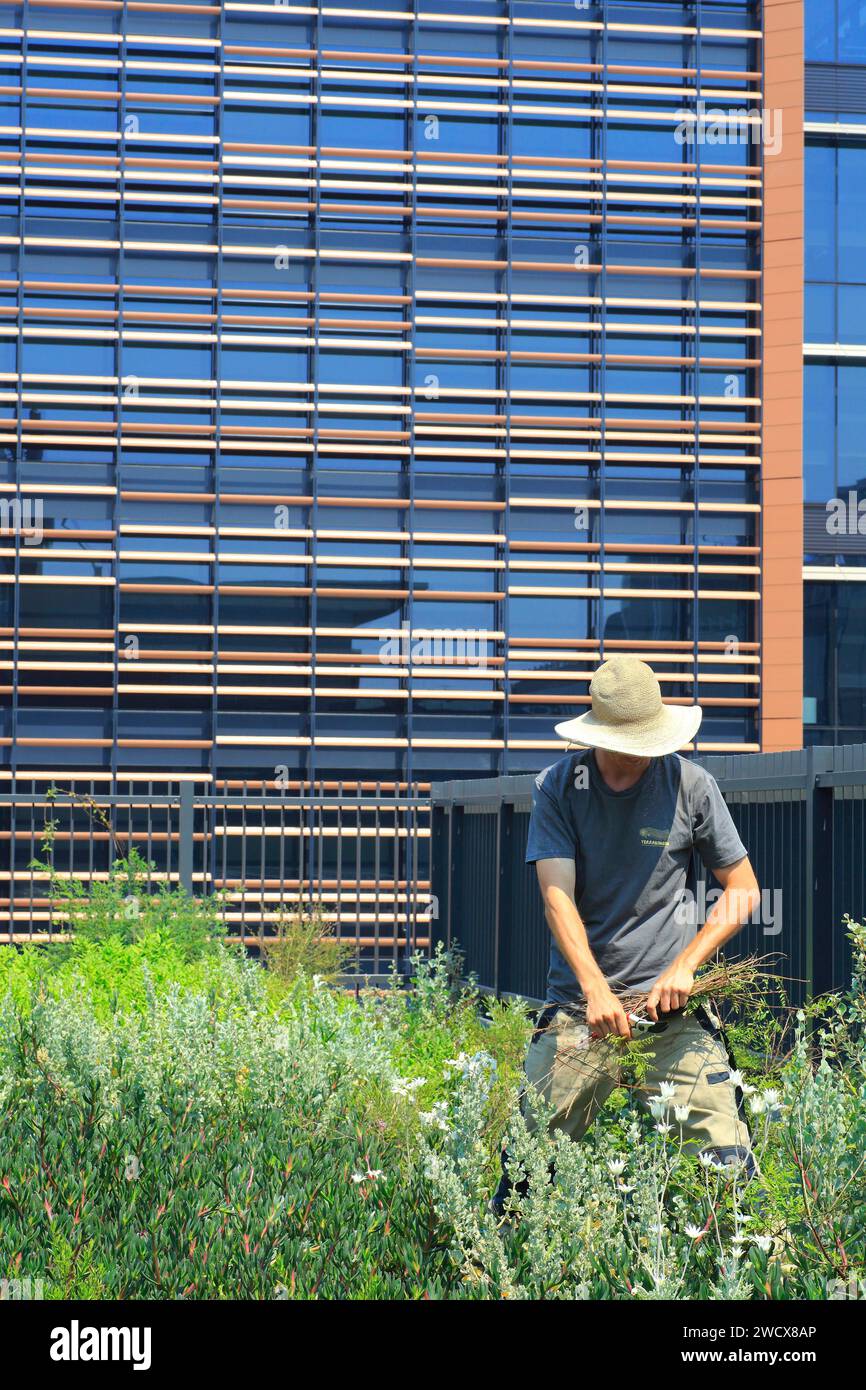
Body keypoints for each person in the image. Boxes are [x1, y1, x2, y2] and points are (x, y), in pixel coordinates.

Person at [490, 655, 762, 1216]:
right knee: (525, 1171)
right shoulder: (560, 787)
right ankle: (499, 1269)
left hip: (670, 1015)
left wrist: (686, 964)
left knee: (728, 1162)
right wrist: (594, 990)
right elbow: (556, 896)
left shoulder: (691, 784)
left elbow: (742, 890)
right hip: (579, 1011)